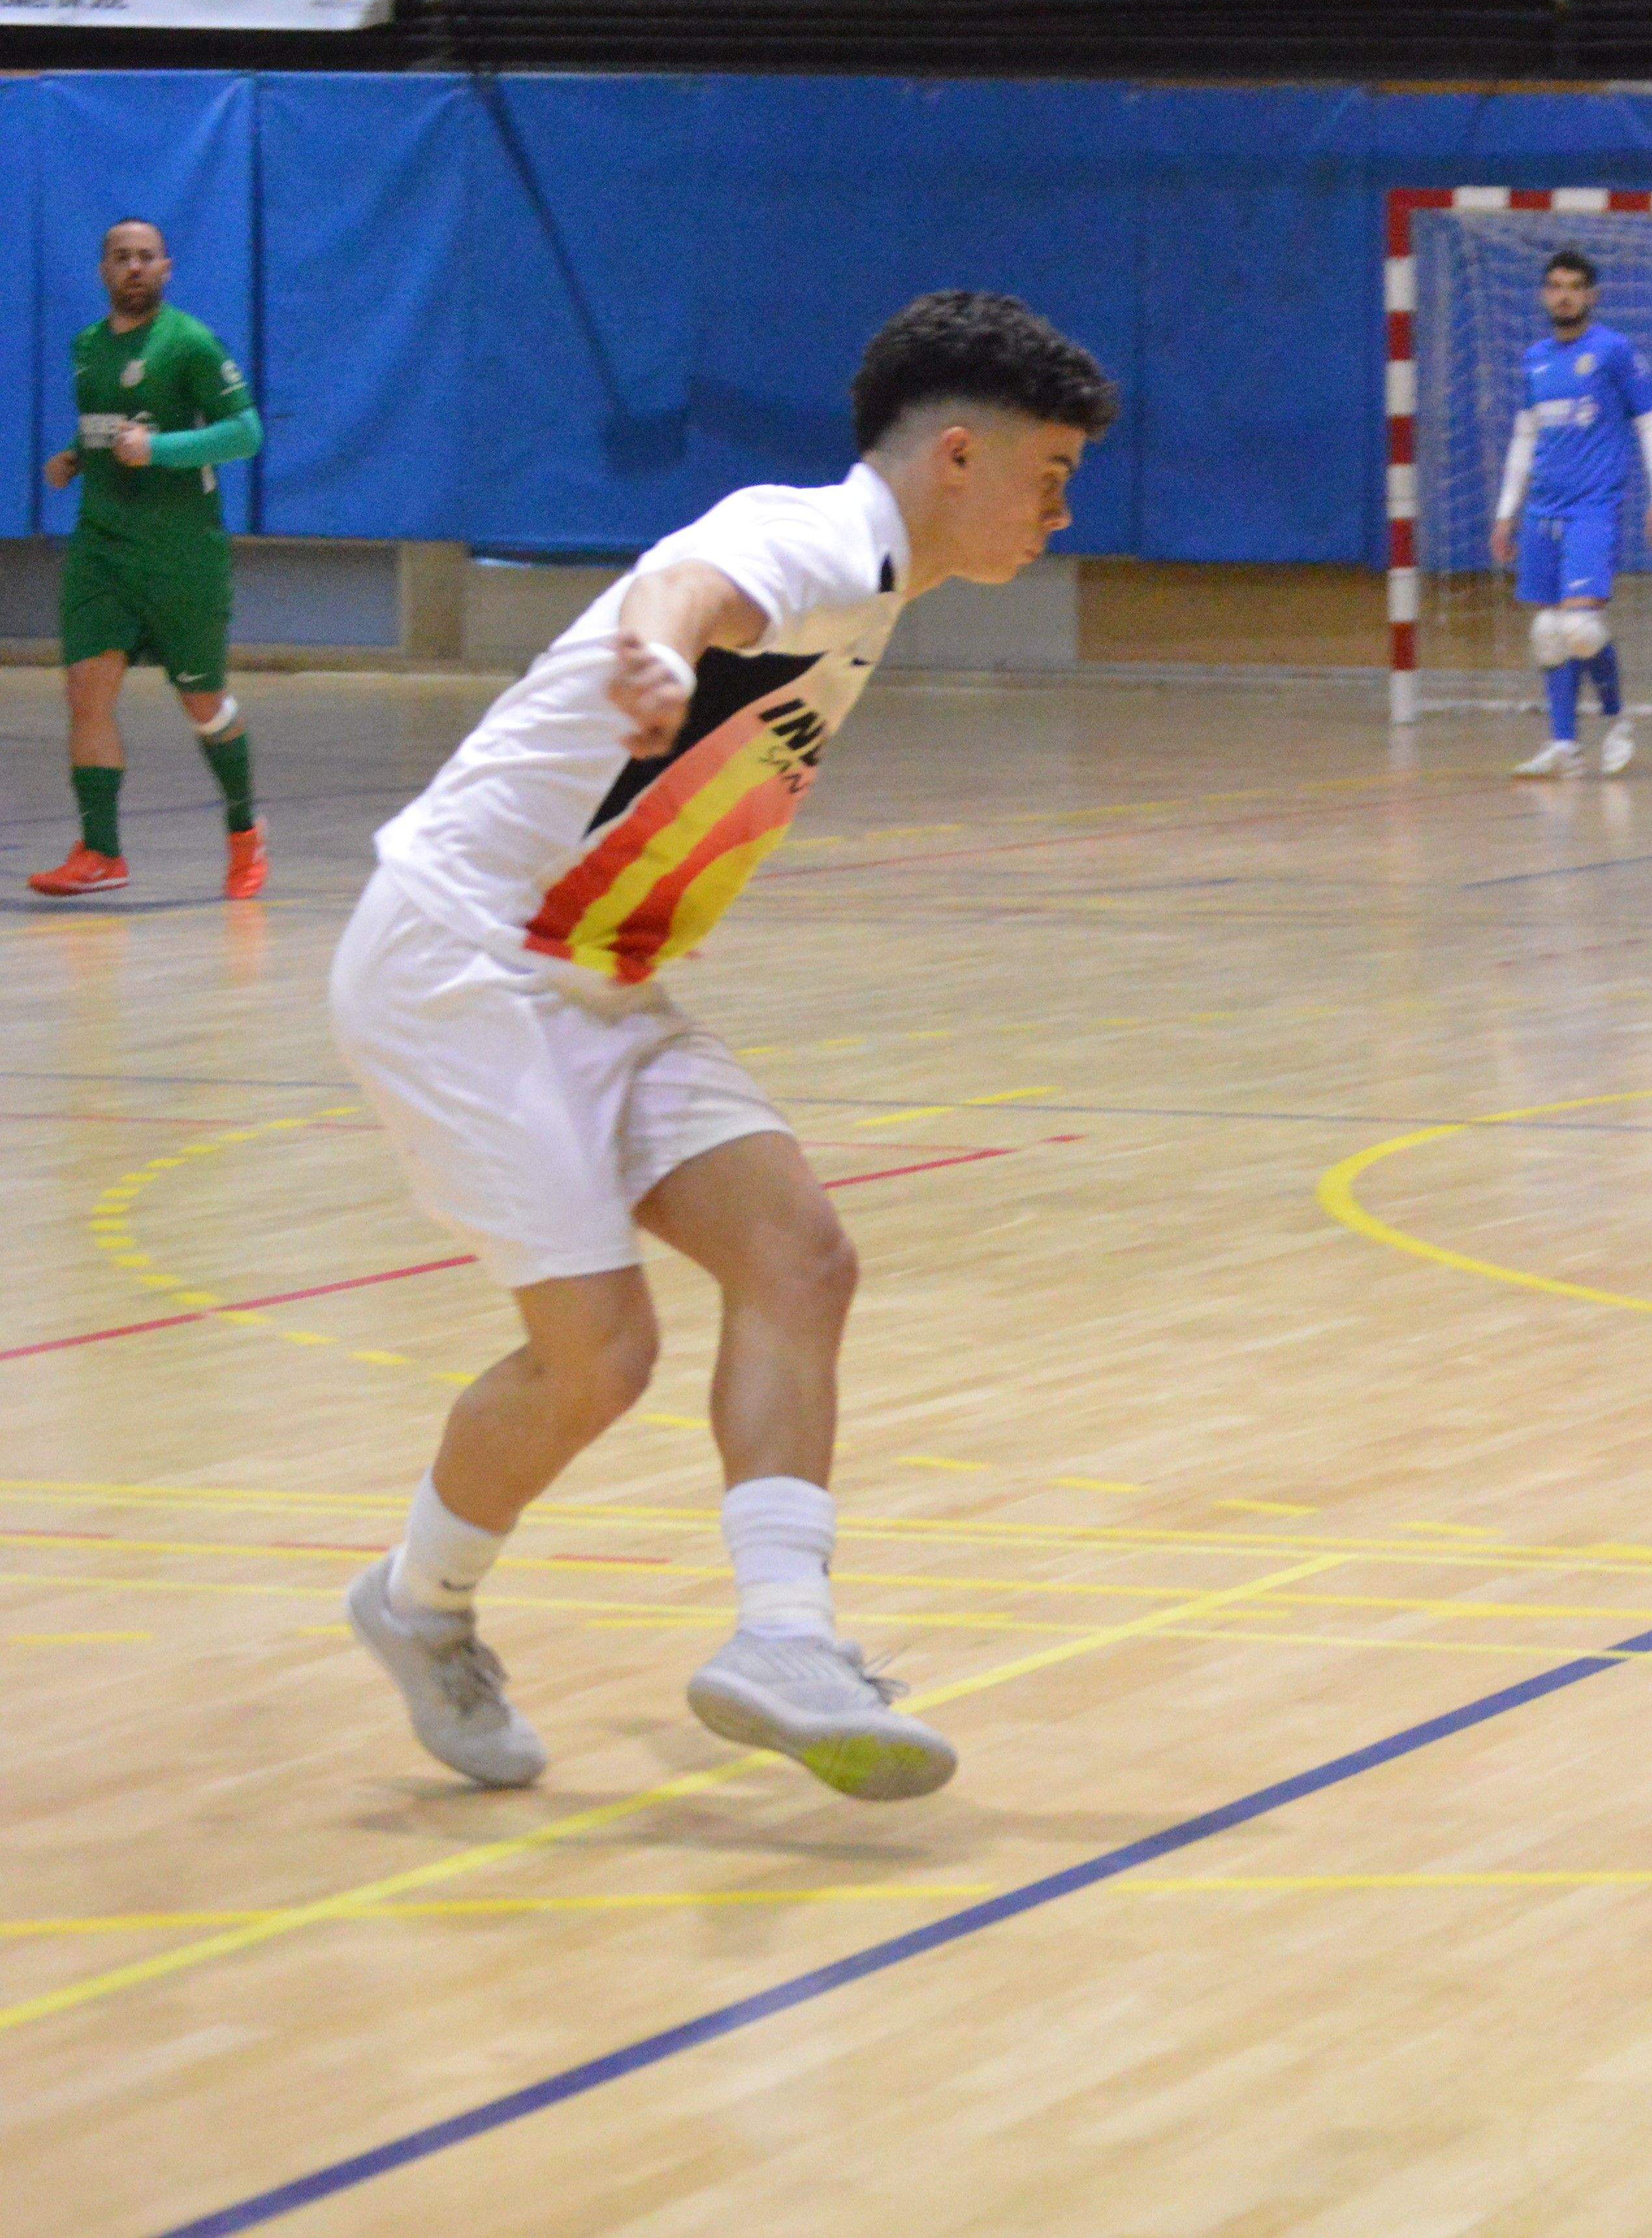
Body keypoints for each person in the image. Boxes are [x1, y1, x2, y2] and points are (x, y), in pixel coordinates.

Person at [334, 291, 1117, 1799]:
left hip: (607, 980)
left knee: (802, 1261)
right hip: (462, 965)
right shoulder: (815, 537)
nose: (1061, 511)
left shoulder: (879, 581)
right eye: (1052, 475)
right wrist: (651, 649)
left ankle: (785, 1636)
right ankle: (417, 1601)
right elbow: (693, 584)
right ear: (959, 455)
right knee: (602, 1353)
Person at [30, 219, 267, 900]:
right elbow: (109, 424)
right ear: (103, 269)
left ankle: (245, 830)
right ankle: (102, 852)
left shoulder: (189, 344)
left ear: (166, 268)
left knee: (202, 701)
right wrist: (78, 456)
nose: (134, 266)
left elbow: (246, 433)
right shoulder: (86, 348)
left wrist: (159, 451)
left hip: (179, 556)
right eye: (120, 257)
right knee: (86, 692)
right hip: (102, 550)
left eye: (146, 257)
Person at [1491, 247, 1652, 778]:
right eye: (1554, 285)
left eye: (1574, 286)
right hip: (1542, 511)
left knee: (1580, 628)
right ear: (1543, 294)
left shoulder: (1614, 351)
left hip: (1593, 508)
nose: (1564, 294)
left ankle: (1619, 720)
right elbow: (1525, 436)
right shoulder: (1535, 359)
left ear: (1591, 296)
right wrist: (1507, 512)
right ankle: (1564, 746)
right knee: (1547, 631)